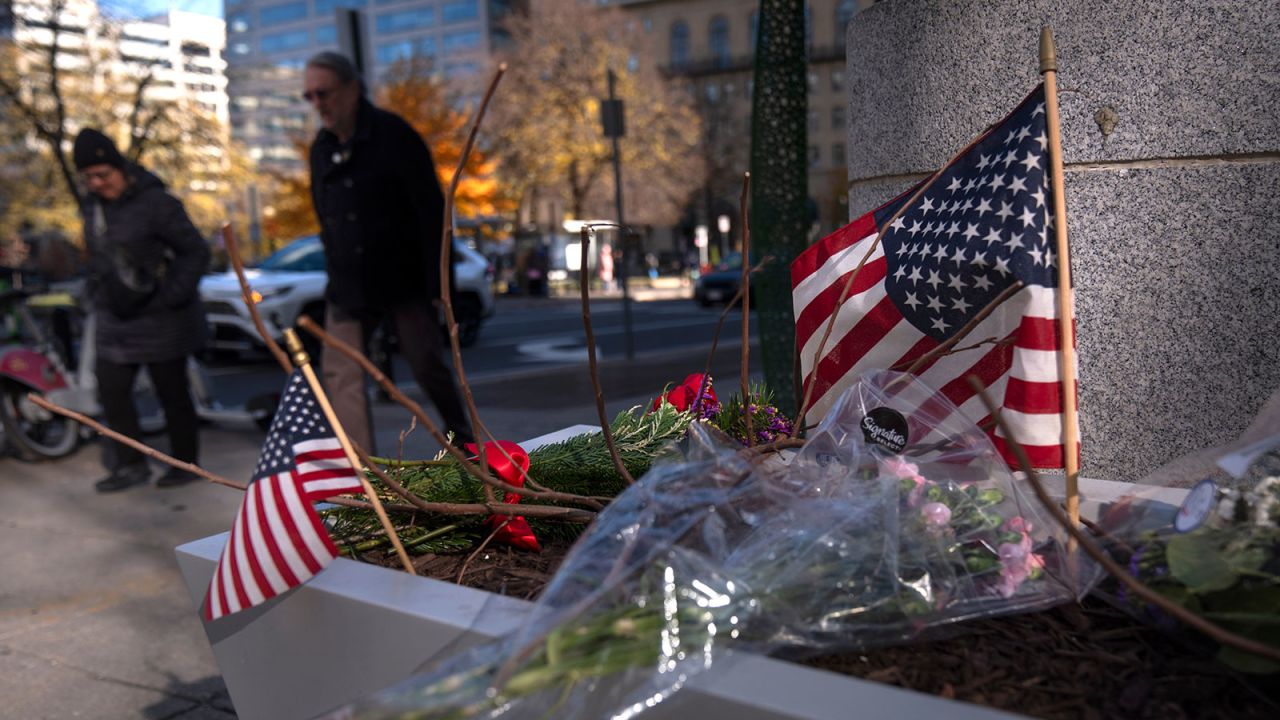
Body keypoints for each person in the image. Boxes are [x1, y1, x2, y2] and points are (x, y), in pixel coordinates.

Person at [303, 51, 473, 452]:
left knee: (425, 362)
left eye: (323, 93)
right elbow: (324, 216)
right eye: (308, 96)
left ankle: (463, 440)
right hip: (347, 282)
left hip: (401, 277)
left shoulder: (394, 135)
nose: (317, 104)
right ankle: (366, 473)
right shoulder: (321, 148)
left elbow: (433, 214)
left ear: (351, 89)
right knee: (341, 372)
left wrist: (439, 285)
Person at [74, 128, 210, 492]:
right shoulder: (92, 205)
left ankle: (185, 464)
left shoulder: (157, 203)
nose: (98, 183)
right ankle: (130, 465)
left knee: (172, 393)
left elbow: (196, 251)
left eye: (103, 174)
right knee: (113, 392)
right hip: (114, 317)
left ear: (121, 168)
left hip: (161, 317)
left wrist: (171, 296)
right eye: (89, 178)